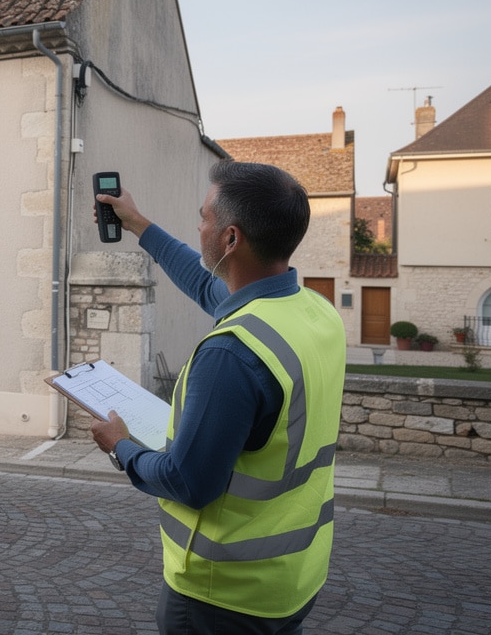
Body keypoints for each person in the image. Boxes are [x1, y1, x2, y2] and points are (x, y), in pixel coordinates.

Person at [90, 160, 345, 634]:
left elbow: (189, 482)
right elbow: (206, 283)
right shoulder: (313, 311)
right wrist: (138, 224)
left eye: (204, 216)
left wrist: (120, 447)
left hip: (223, 593)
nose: (198, 224)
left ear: (230, 239)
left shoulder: (231, 352)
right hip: (293, 576)